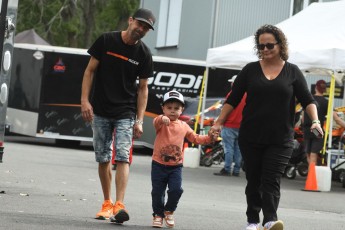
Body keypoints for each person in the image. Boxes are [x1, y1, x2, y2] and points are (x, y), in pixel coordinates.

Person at [209, 24, 322, 230]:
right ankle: (252, 220)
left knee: (271, 179)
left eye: (270, 45)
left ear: (280, 45)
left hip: (280, 138)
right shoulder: (250, 70)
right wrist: (218, 123)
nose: (265, 49)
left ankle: (270, 219)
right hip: (251, 136)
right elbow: (232, 100)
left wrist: (315, 120)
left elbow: (308, 100)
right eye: (261, 46)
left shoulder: (293, 71)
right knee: (253, 180)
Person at [80, 8, 156, 224]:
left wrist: (139, 120)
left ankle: (119, 205)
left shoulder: (144, 54)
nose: (141, 29)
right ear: (131, 20)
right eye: (139, 24)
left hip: (125, 112)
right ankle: (107, 203)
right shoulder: (106, 41)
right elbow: (89, 71)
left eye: (146, 28)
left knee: (122, 155)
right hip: (101, 109)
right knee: (103, 157)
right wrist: (85, 101)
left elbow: (143, 89)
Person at [151, 90, 217, 228]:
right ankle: (158, 215)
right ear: (163, 108)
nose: (172, 111)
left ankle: (169, 211)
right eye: (169, 108)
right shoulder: (161, 122)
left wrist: (210, 138)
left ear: (182, 110)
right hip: (158, 165)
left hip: (176, 167)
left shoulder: (184, 126)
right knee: (157, 192)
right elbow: (155, 121)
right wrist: (161, 118)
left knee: (176, 190)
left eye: (176, 108)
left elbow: (196, 138)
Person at [214, 75, 246, 177]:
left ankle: (227, 169)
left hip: (229, 125)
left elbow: (226, 109)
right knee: (238, 149)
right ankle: (236, 171)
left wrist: (219, 122)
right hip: (242, 126)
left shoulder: (231, 94)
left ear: (234, 83)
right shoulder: (248, 95)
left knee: (228, 148)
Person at [302, 80, 328, 165]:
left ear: (316, 87)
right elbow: (331, 118)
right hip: (316, 129)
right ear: (324, 89)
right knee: (313, 154)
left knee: (308, 153)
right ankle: (311, 176)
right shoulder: (326, 102)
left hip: (307, 129)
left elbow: (302, 117)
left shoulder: (309, 99)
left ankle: (310, 175)